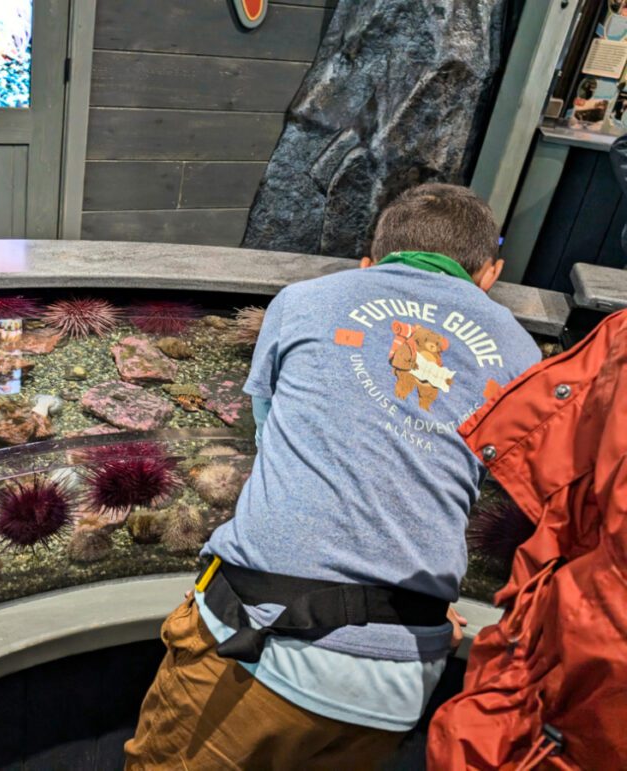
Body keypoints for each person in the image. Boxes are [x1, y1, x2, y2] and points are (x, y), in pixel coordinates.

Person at [124, 183, 542, 770]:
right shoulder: (524, 353)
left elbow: (269, 437)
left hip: (258, 643)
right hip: (402, 670)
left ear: (370, 261)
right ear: (489, 275)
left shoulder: (306, 300)